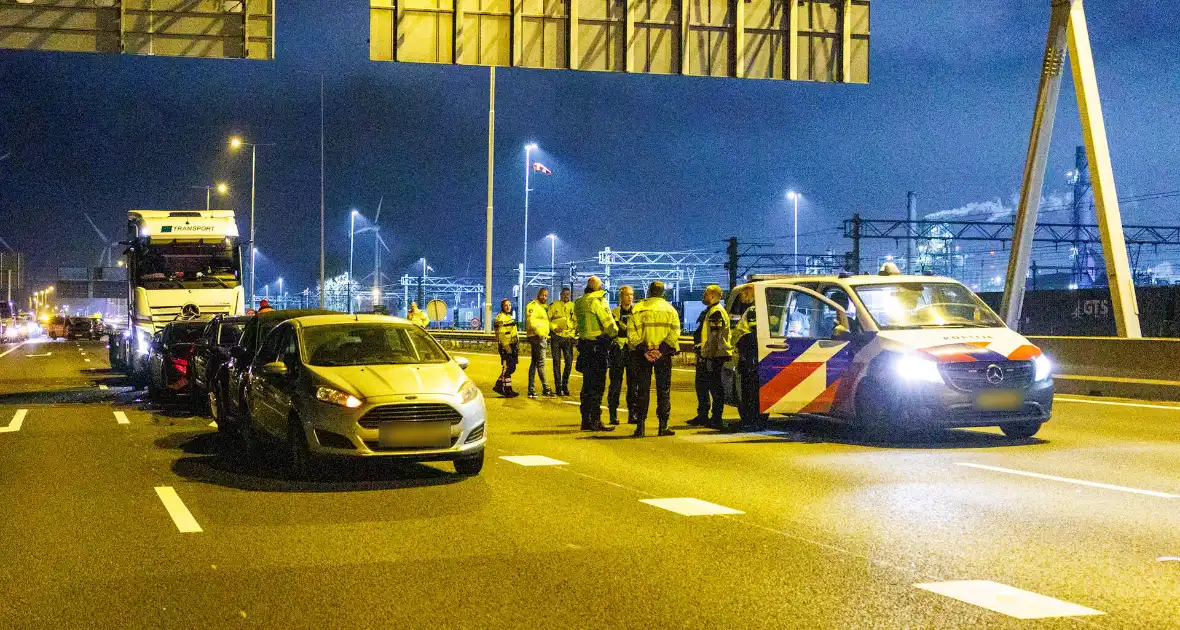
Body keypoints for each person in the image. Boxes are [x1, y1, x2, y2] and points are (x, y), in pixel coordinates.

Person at [628, 281, 681, 437]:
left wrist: (645, 350)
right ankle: (662, 426)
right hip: (663, 356)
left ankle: (640, 427)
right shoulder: (670, 310)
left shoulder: (637, 309)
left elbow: (632, 333)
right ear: (663, 293)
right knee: (663, 390)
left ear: (648, 292)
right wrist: (661, 350)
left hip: (642, 356)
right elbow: (675, 332)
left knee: (642, 390)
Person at [573, 276, 617, 432]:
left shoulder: (579, 302)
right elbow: (609, 325)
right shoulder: (598, 301)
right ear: (598, 287)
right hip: (598, 347)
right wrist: (614, 333)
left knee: (586, 386)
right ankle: (596, 420)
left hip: (584, 346)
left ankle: (585, 420)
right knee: (597, 386)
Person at [690, 285, 732, 430]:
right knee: (702, 386)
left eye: (706, 293)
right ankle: (703, 415)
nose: (703, 295)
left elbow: (715, 337)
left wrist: (710, 357)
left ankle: (716, 418)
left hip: (714, 356)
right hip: (708, 355)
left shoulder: (716, 312)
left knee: (715, 388)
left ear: (713, 295)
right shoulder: (711, 311)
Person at [731, 286, 763, 432]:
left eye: (745, 293)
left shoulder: (753, 311)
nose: (742, 296)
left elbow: (753, 332)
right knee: (750, 390)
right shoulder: (754, 311)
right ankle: (752, 420)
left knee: (748, 391)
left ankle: (750, 420)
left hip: (749, 355)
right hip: (751, 355)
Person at [607, 285, 637, 426]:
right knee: (615, 384)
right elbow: (611, 331)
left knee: (633, 385)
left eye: (631, 294)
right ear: (621, 296)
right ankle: (613, 414)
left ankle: (633, 414)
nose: (630, 297)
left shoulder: (637, 312)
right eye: (627, 294)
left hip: (632, 351)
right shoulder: (614, 312)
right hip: (618, 351)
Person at [525, 288, 554, 398]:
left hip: (541, 337)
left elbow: (545, 322)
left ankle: (531, 390)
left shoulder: (543, 308)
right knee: (540, 363)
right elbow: (531, 322)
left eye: (546, 296)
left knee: (535, 363)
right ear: (538, 294)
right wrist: (540, 333)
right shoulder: (532, 306)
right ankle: (546, 389)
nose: (545, 297)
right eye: (543, 295)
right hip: (536, 337)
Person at [547, 287, 576, 396]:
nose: (566, 296)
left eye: (567, 294)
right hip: (556, 337)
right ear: (561, 295)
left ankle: (565, 384)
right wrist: (554, 327)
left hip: (568, 337)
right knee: (556, 363)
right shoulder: (554, 305)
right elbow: (547, 319)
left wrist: (573, 333)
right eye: (564, 294)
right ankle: (558, 387)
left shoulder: (573, 307)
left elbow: (576, 321)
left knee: (569, 362)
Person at [492, 299, 520, 398]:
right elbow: (500, 334)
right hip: (506, 345)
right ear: (502, 307)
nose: (508, 307)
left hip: (512, 344)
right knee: (508, 368)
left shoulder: (508, 317)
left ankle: (499, 385)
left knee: (510, 367)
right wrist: (506, 346)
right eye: (506, 305)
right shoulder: (501, 317)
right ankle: (508, 390)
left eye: (510, 305)